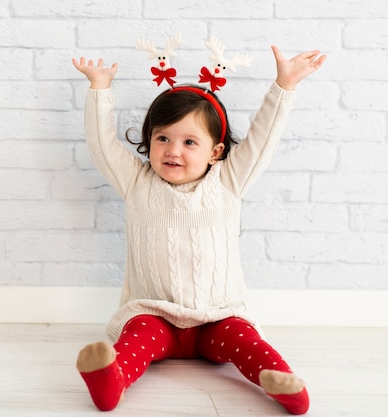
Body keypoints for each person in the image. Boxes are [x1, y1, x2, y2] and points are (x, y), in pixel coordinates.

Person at [71, 45, 326, 415]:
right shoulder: (136, 183)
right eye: (162, 138)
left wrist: (284, 85)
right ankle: (112, 380)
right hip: (155, 315)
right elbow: (102, 147)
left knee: (248, 342)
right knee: (136, 337)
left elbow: (263, 139)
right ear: (150, 142)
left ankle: (279, 379)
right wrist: (99, 89)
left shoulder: (229, 180)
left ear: (215, 151)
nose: (173, 150)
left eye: (189, 142)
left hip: (218, 317)